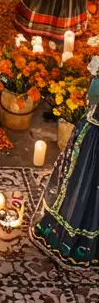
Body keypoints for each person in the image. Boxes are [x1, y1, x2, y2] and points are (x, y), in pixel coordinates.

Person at [31, 54, 99, 271]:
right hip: (92, 136)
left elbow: (93, 97)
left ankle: (76, 240)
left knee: (83, 183)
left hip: (92, 138)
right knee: (83, 183)